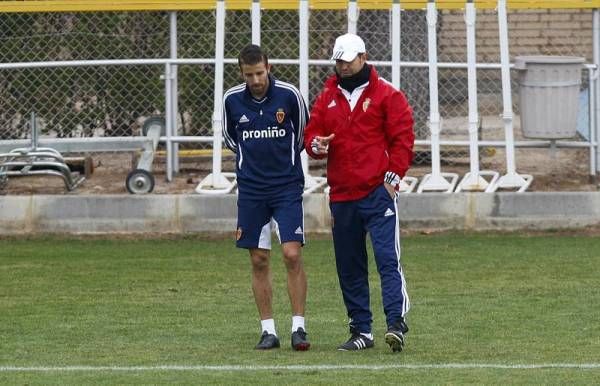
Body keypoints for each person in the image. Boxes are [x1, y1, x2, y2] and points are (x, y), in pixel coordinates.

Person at [304, 33, 415, 352]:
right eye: (338, 60)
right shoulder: (327, 97)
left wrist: (393, 178)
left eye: (348, 60)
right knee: (349, 264)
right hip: (342, 195)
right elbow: (312, 135)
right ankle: (361, 331)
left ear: (363, 57)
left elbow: (403, 137)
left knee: (386, 258)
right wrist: (316, 144)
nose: (342, 66)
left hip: (376, 193)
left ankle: (396, 322)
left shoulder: (387, 95)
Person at [222, 44, 310, 351]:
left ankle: (299, 328)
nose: (256, 79)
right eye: (249, 75)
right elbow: (232, 139)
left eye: (260, 73)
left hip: (286, 187)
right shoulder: (231, 100)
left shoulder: (289, 96)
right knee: (259, 259)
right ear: (241, 73)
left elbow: (301, 136)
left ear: (268, 67)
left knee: (291, 254)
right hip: (251, 191)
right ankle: (268, 331)